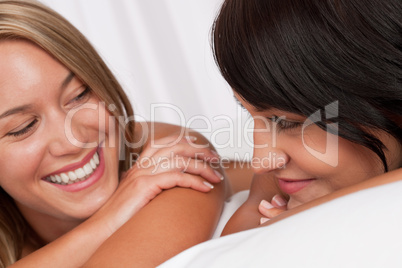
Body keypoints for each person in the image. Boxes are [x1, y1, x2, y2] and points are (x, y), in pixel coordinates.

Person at [0, 0, 229, 267]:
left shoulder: (165, 152)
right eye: (24, 127)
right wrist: (110, 218)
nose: (71, 141)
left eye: (79, 95)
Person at [211, 0, 402, 235]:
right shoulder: (281, 179)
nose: (260, 162)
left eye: (289, 122)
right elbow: (239, 235)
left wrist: (309, 215)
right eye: (248, 111)